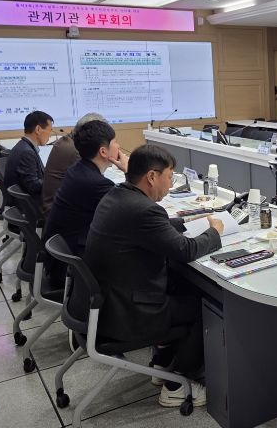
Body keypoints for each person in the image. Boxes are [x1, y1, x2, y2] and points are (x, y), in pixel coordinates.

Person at [84, 145, 223, 408]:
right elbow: (186, 250)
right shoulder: (143, 210)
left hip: (108, 303)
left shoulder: (118, 195)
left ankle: (162, 364)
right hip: (128, 313)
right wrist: (214, 231)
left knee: (181, 286)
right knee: (202, 307)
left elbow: (153, 227)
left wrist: (190, 221)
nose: (170, 184)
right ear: (151, 176)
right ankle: (177, 385)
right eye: (169, 177)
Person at [42, 120, 128, 289]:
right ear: (103, 151)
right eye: (115, 142)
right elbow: (131, 209)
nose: (119, 146)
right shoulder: (96, 183)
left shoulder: (78, 169)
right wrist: (128, 172)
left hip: (61, 258)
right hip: (72, 270)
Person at [42, 112, 107, 215]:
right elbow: (95, 182)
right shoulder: (75, 150)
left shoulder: (66, 141)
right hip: (57, 211)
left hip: (54, 204)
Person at [3, 110, 54, 211]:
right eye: (50, 130)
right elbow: (33, 186)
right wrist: (54, 181)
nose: (50, 135)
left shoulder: (23, 146)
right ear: (38, 129)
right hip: (30, 208)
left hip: (24, 203)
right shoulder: (26, 152)